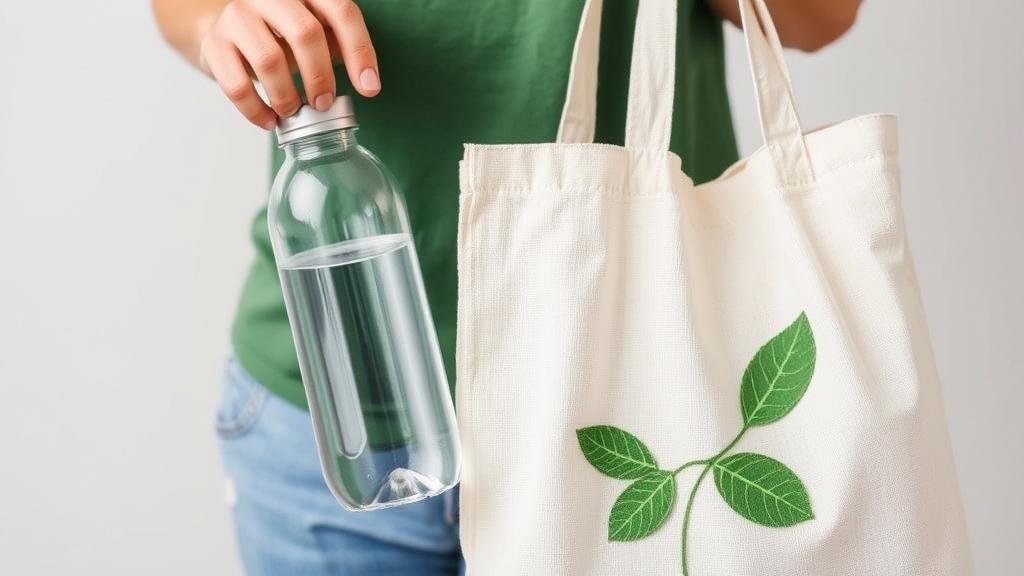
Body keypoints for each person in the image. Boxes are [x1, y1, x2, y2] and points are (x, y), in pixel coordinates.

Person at [152, 0, 860, 573]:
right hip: (331, 418)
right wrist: (224, 25)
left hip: (628, 416)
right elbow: (179, 9)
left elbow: (823, 16)